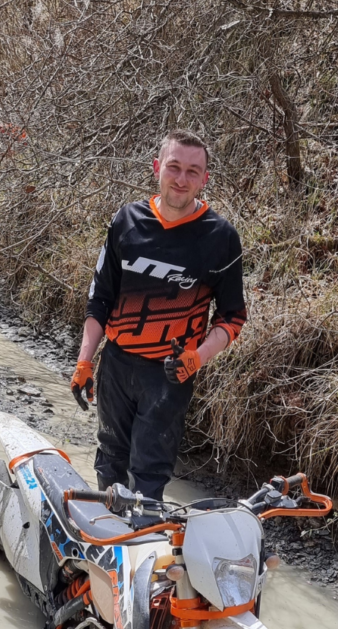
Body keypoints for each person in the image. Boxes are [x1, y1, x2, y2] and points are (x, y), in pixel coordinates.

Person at [70, 129, 247, 501]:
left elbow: (232, 317)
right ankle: (109, 535)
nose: (182, 179)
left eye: (193, 171)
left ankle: (143, 540)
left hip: (169, 374)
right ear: (157, 168)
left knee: (150, 471)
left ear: (205, 179)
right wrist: (85, 361)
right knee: (109, 461)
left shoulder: (221, 238)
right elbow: (99, 298)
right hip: (116, 366)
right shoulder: (126, 221)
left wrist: (196, 359)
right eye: (174, 167)